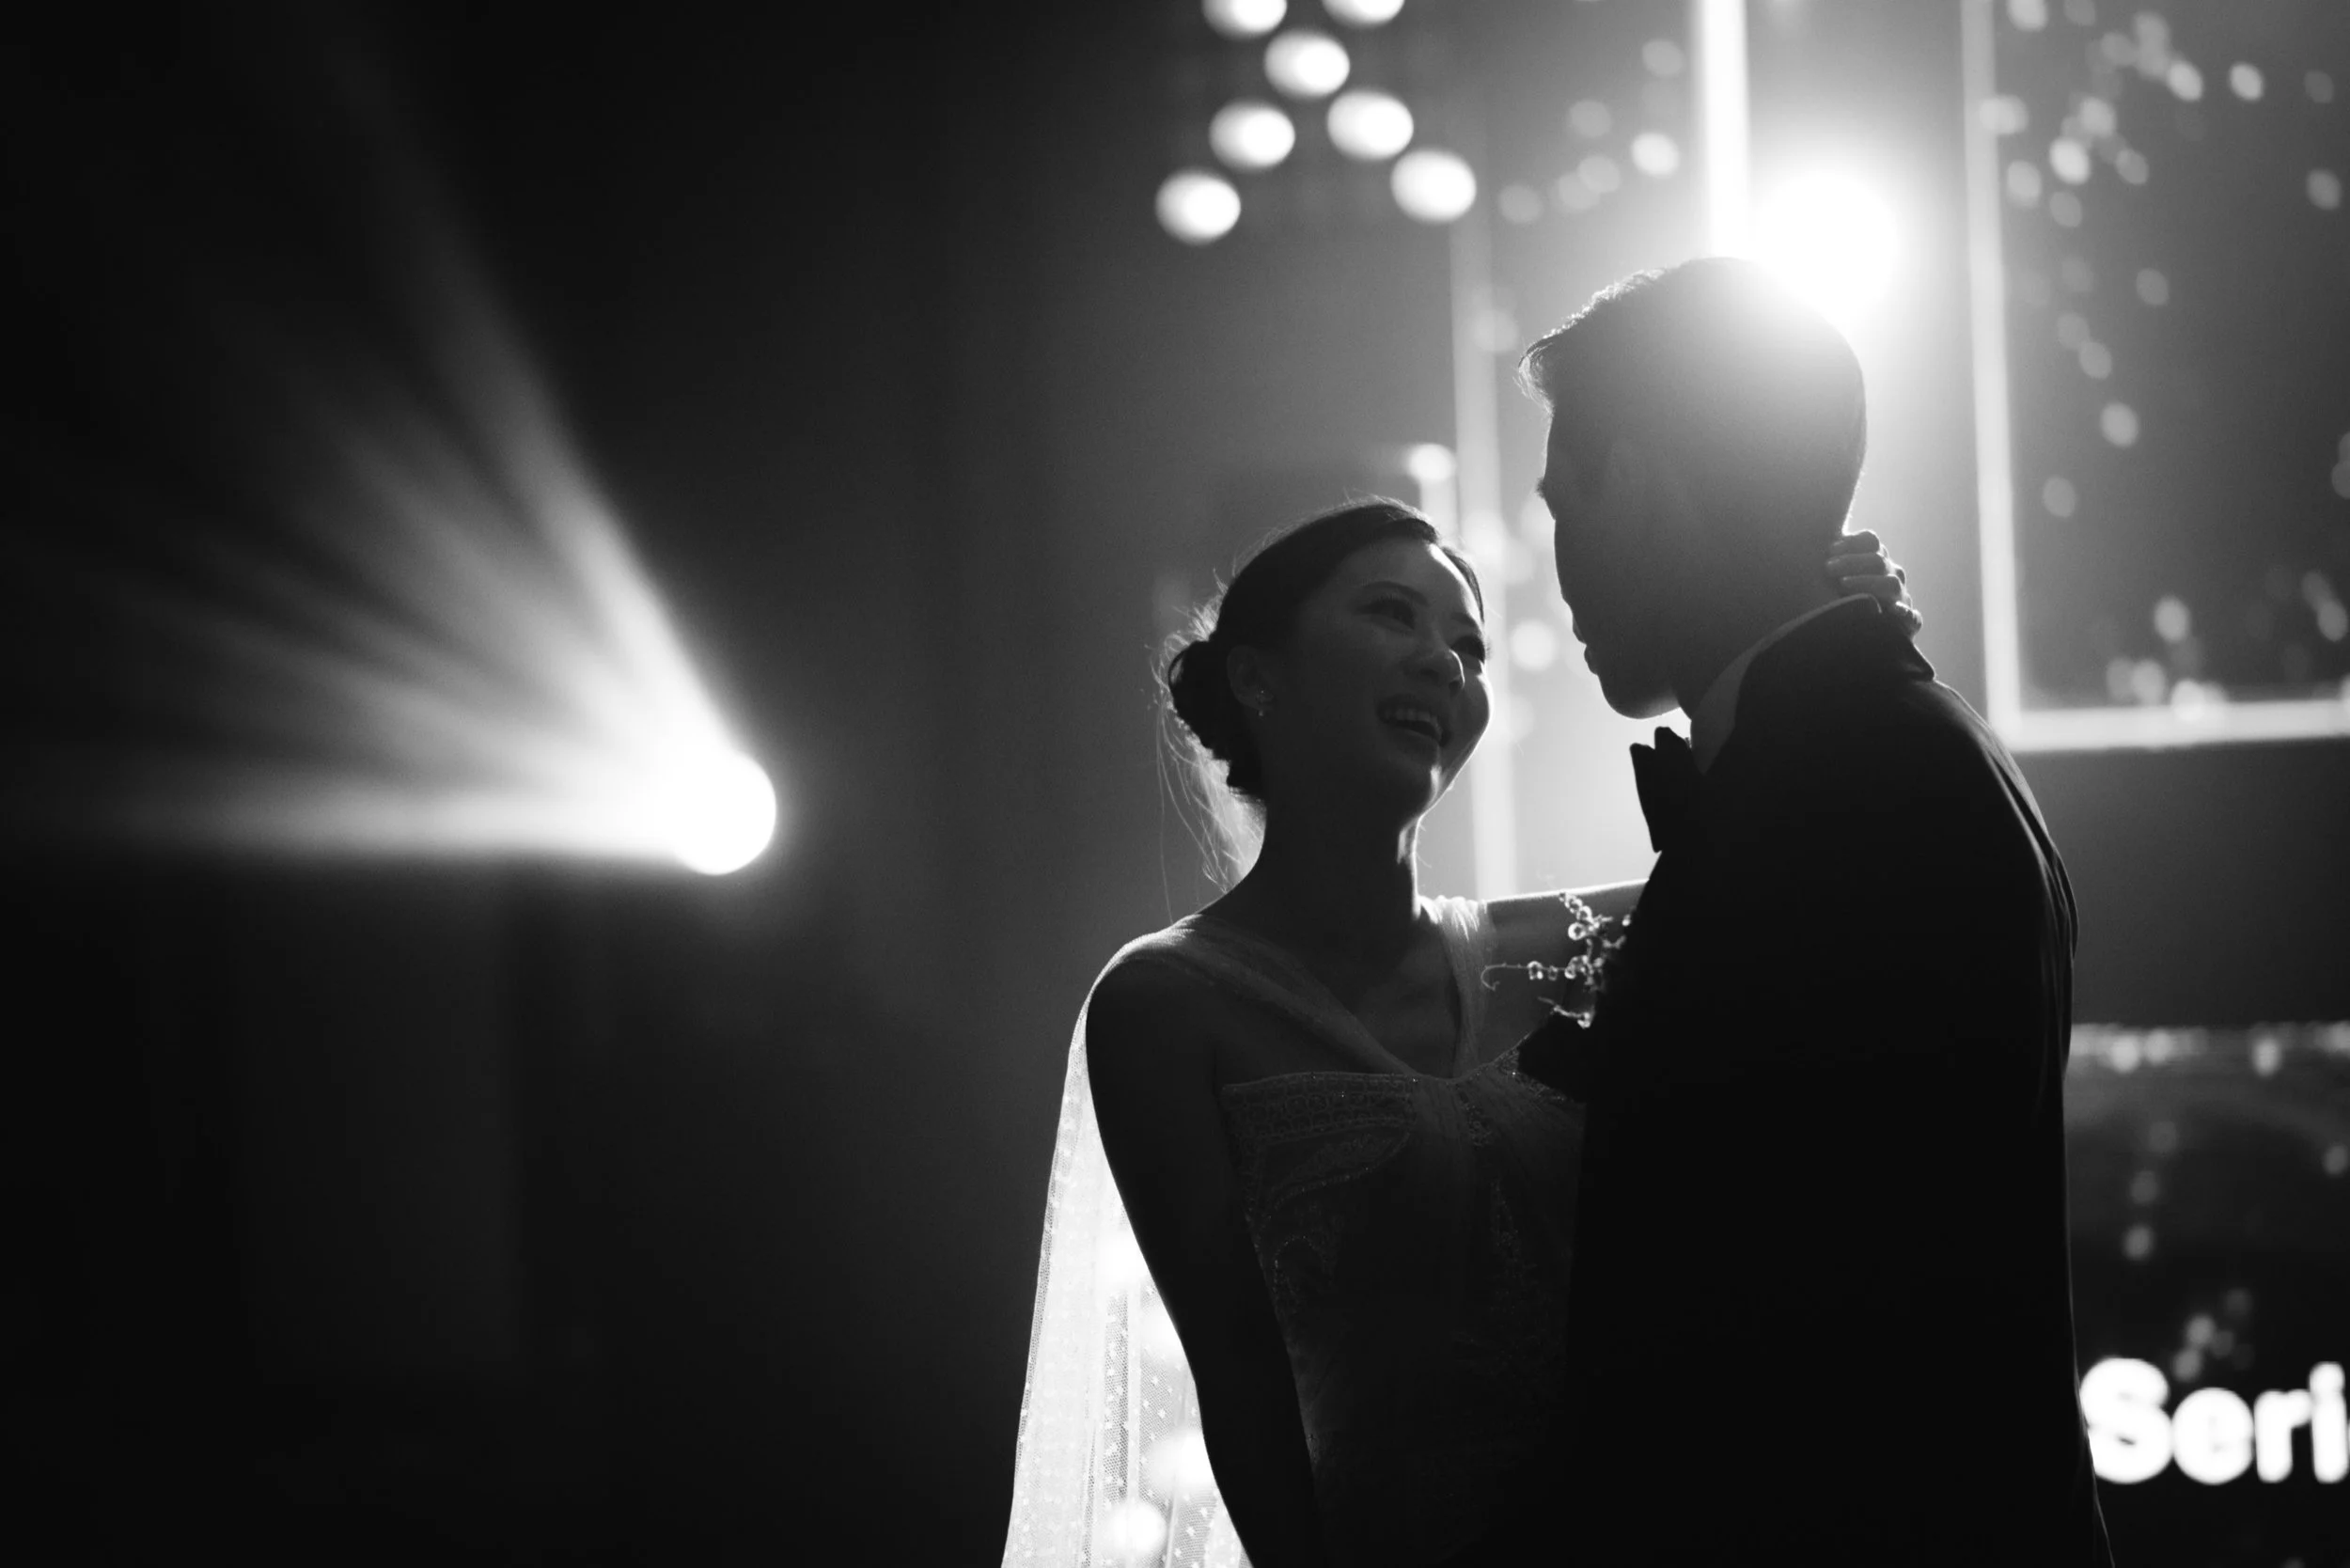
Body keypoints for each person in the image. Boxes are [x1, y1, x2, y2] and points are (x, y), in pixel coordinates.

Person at [999, 497, 1918, 1568]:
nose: (1445, 662)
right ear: (1255, 676)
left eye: (1470, 647)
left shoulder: (1586, 942)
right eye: (1393, 614)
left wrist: (1849, 649)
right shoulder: (1164, 1006)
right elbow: (1241, 1387)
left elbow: (1838, 875)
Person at [1507, 258, 2111, 1564]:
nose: (1558, 570)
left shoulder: (1852, 786)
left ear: (1643, 484)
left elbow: (1769, 1311)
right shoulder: (1893, 750)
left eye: (1565, 504)